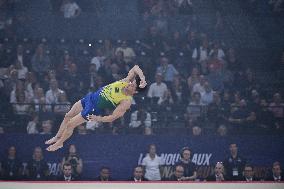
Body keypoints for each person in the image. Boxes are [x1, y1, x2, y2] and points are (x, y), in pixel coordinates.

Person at [45, 65, 147, 151]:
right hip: (91, 97)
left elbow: (113, 117)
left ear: (135, 92)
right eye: (131, 83)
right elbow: (135, 68)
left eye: (132, 86)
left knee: (71, 124)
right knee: (68, 115)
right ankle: (57, 136)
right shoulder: (125, 81)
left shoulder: (126, 101)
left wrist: (98, 119)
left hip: (93, 108)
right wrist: (142, 78)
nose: (129, 85)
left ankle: (60, 143)